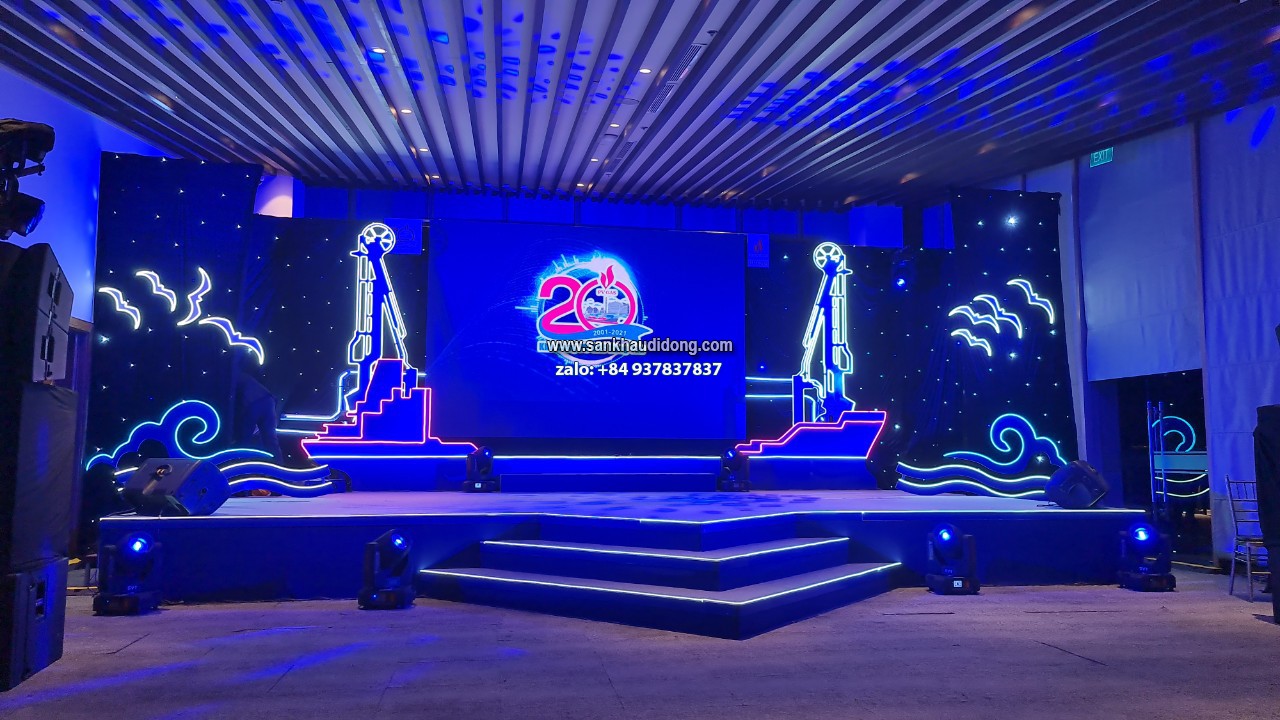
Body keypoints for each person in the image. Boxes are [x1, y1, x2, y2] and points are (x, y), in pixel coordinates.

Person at [235, 365, 281, 460]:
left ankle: (241, 463)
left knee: (243, 439)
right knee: (271, 439)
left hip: (252, 402)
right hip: (268, 400)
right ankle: (279, 464)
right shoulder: (244, 376)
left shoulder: (232, 377)